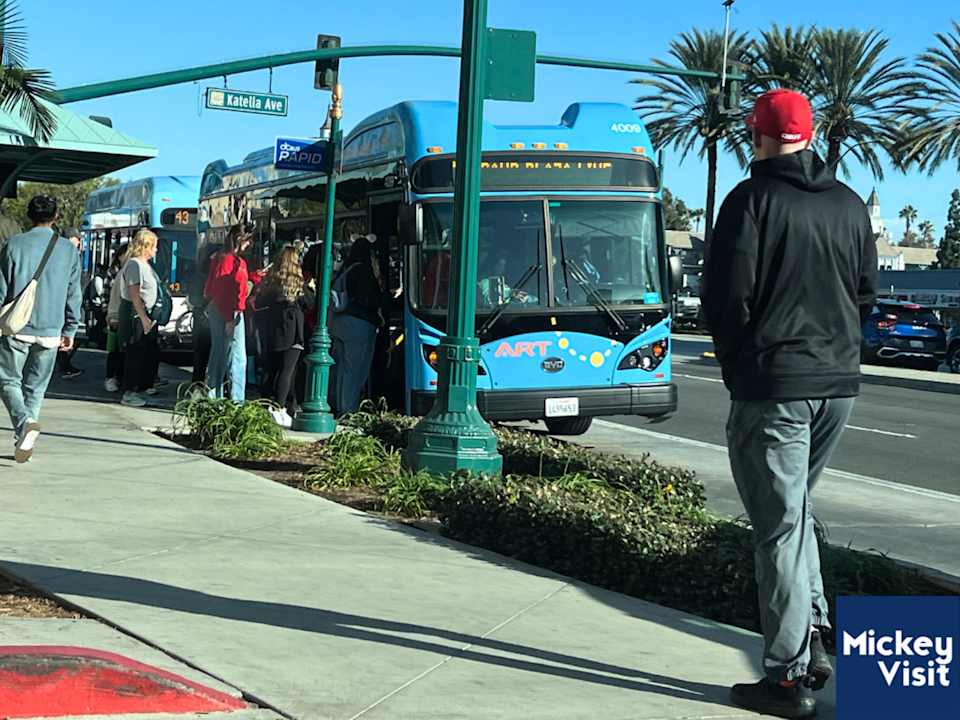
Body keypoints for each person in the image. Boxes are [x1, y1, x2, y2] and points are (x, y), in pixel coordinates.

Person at [701, 89, 877, 719]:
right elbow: (865, 297)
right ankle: (817, 639)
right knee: (796, 511)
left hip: (774, 387)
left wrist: (738, 370)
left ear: (759, 137)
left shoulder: (749, 201)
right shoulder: (850, 206)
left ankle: (784, 677)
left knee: (776, 530)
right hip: (837, 387)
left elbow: (726, 300)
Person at [0, 195, 81, 463]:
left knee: (8, 380)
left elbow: (1, 288)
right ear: (56, 216)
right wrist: (70, 329)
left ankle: (24, 424)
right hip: (51, 329)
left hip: (16, 327)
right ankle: (25, 441)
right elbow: (73, 293)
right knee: (35, 389)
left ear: (28, 215)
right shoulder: (68, 250)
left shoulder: (13, 244)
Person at [330, 235, 398, 415]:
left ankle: (342, 409)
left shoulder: (346, 269)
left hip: (340, 322)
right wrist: (389, 295)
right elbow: (367, 299)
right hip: (358, 325)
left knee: (344, 369)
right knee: (356, 370)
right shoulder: (363, 271)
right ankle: (349, 412)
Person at [253, 245, 315, 427]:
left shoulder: (270, 282)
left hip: (270, 330)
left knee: (269, 370)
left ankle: (264, 407)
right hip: (292, 332)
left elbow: (259, 301)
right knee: (286, 371)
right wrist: (311, 287)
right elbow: (310, 304)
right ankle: (280, 409)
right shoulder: (298, 284)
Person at [204, 223, 259, 402]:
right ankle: (232, 401)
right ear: (239, 239)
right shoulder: (229, 261)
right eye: (248, 239)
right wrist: (229, 317)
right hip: (228, 310)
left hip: (228, 310)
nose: (250, 244)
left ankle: (218, 399)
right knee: (230, 356)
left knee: (224, 355)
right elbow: (221, 291)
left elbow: (220, 288)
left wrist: (255, 277)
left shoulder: (229, 260)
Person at [118, 230, 162, 408]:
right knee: (136, 353)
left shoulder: (145, 265)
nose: (156, 250)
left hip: (147, 313)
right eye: (154, 246)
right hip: (137, 313)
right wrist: (143, 317)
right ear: (146, 247)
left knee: (150, 353)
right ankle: (129, 392)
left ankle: (142, 389)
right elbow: (134, 294)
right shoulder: (134, 265)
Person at [56, 227, 85, 379]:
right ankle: (65, 368)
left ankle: (65, 366)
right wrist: (72, 323)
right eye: (76, 239)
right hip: (60, 308)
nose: (79, 242)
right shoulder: (70, 255)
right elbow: (73, 290)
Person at [103, 242, 128, 392]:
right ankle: (110, 377)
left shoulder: (132, 271)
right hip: (114, 316)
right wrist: (109, 314)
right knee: (114, 349)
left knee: (124, 350)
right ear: (119, 256)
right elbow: (105, 295)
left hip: (126, 318)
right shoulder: (113, 272)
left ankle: (121, 377)